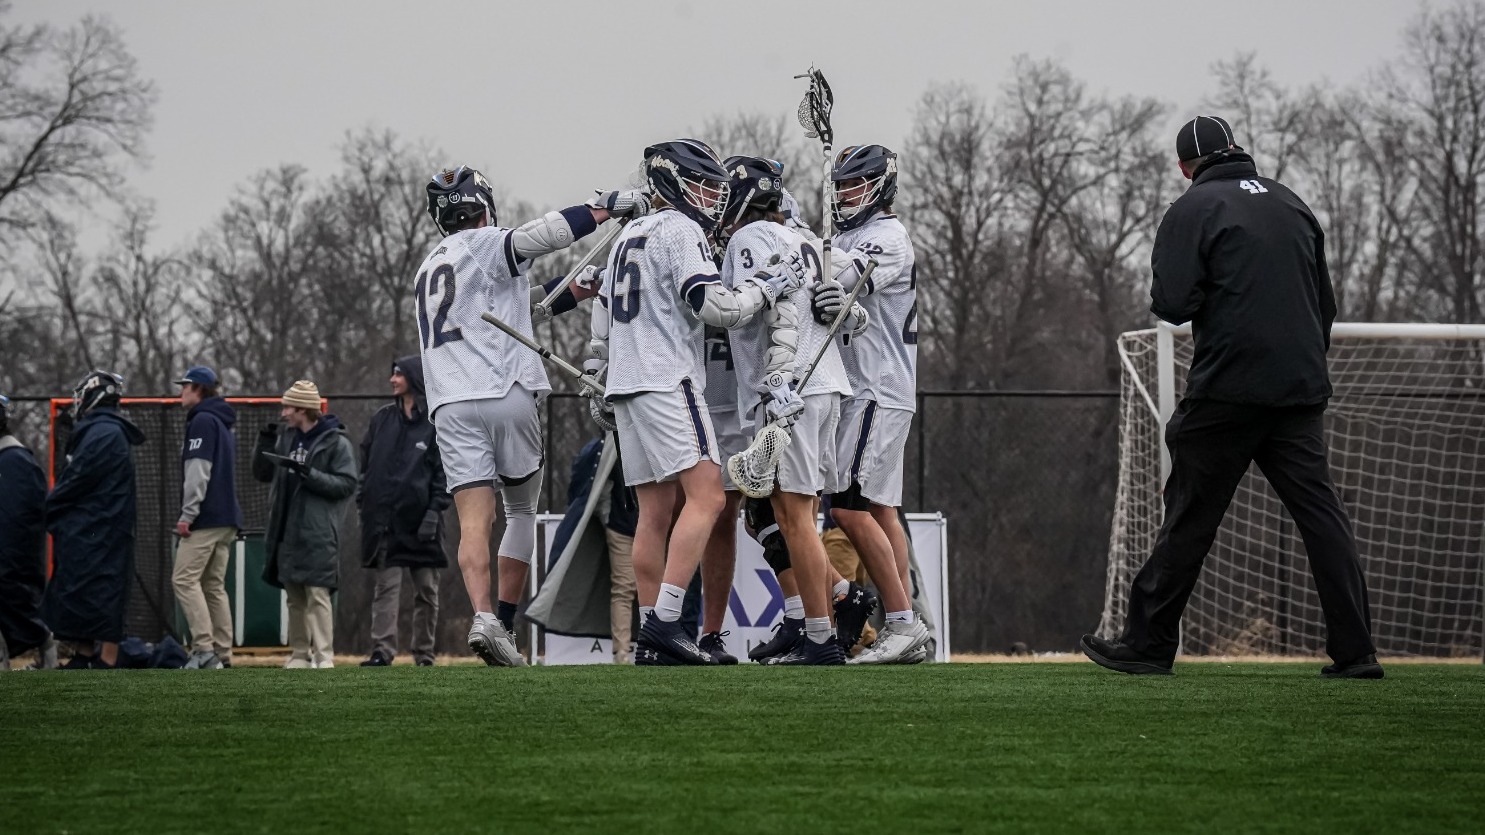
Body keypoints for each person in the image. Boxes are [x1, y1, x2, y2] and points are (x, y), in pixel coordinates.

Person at [1081, 116, 1381, 680]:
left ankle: (1147, 643)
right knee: (1321, 516)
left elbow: (1172, 305)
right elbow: (1325, 306)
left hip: (1229, 389)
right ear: (1237, 149)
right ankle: (1357, 651)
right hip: (1299, 389)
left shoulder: (1192, 208)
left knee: (1190, 515)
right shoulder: (1291, 202)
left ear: (1184, 168)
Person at [417, 166, 648, 667]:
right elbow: (541, 235)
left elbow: (516, 308)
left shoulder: (429, 267)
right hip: (505, 391)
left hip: (450, 405)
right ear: (483, 207)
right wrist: (604, 208)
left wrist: (573, 290)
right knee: (520, 511)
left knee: (473, 522)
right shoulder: (485, 243)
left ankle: (483, 617)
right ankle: (504, 621)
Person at [589, 138, 805, 665]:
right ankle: (665, 624)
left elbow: (602, 316)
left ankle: (650, 636)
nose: (711, 197)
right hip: (669, 378)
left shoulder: (626, 235)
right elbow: (714, 306)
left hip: (626, 383)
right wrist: (766, 287)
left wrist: (598, 371)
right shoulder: (680, 229)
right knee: (709, 498)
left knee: (654, 512)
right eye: (702, 185)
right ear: (671, 182)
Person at [716, 155, 861, 665]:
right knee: (794, 513)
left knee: (795, 518)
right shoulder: (807, 239)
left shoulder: (748, 238)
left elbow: (757, 308)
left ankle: (819, 637)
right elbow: (851, 312)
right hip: (827, 385)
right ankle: (823, 622)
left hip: (789, 389)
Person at [811, 144, 931, 664]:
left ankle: (902, 621)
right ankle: (906, 624)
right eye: (839, 187)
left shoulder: (887, 236)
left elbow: (841, 280)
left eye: (854, 185)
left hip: (876, 388)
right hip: (870, 389)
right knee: (881, 511)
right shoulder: (847, 236)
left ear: (881, 185)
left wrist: (804, 256)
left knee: (847, 505)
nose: (844, 195)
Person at [42, 370, 145, 669]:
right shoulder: (100, 431)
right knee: (83, 592)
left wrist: (48, 507)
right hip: (93, 528)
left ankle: (106, 660)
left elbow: (76, 479)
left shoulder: (104, 433)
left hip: (100, 529)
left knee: (103, 592)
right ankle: (84, 654)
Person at [253, 380, 358, 669]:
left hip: (318, 532)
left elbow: (347, 483)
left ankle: (324, 656)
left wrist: (310, 475)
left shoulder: (336, 442)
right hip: (285, 529)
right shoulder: (286, 438)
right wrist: (264, 442)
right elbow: (261, 474)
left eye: (288, 407)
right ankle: (299, 654)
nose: (283, 413)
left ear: (303, 409)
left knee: (317, 594)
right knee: (294, 596)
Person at [357, 356, 448, 668]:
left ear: (414, 378)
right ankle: (382, 651)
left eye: (398, 374)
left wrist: (434, 512)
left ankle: (424, 654)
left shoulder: (435, 422)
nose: (392, 380)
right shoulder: (381, 419)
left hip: (424, 526)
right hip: (386, 526)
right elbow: (365, 467)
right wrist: (363, 501)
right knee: (385, 590)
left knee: (427, 592)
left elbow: (444, 473)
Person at [171, 365, 243, 670]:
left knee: (183, 579)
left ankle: (203, 648)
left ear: (199, 388)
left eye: (185, 386)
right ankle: (222, 652)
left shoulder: (201, 420)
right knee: (213, 586)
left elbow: (198, 472)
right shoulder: (222, 421)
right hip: (227, 518)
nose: (181, 391)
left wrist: (188, 514)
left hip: (206, 517)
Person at [0, 393, 56, 670]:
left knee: (24, 622)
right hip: (11, 569)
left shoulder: (14, 462)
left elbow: (15, 526)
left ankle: (46, 651)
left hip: (11, 569)